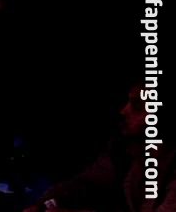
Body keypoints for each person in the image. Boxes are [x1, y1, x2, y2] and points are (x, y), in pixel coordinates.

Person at [24, 83, 176, 212]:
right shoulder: (124, 150)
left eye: (137, 107)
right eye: (128, 103)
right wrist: (45, 204)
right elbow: (86, 183)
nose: (123, 111)